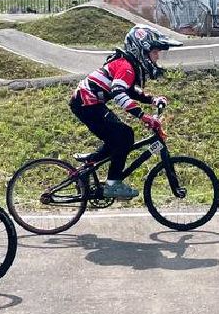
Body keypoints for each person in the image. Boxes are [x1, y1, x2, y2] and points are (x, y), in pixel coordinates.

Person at [69, 26, 178, 198]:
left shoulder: (128, 65)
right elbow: (118, 93)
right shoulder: (126, 66)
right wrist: (143, 116)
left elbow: (130, 90)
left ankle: (90, 163)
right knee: (124, 135)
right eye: (155, 52)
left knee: (118, 138)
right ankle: (113, 184)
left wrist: (152, 100)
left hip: (88, 103)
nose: (157, 57)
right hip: (86, 104)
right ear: (141, 50)